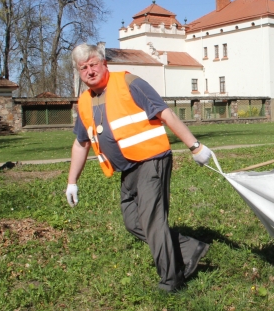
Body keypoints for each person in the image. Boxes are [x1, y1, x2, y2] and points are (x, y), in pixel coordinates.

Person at [65, 43, 212, 293]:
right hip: (127, 168)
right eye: (83, 68)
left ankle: (171, 281)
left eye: (93, 64)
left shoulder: (129, 83)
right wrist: (72, 181)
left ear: (104, 64)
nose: (89, 71)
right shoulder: (84, 102)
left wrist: (195, 146)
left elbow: (165, 114)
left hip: (151, 160)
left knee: (152, 220)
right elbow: (81, 143)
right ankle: (190, 248)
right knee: (133, 221)